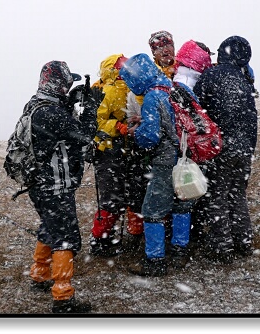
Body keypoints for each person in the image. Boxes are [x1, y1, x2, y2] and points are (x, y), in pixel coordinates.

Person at [24, 60, 97, 313]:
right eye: (67, 85)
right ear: (58, 84)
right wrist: (90, 109)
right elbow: (84, 134)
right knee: (65, 237)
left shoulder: (35, 105)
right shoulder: (51, 113)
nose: (69, 88)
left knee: (50, 225)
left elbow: (58, 129)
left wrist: (70, 100)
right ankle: (63, 297)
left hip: (38, 184)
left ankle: (39, 272)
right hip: (54, 184)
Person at [119, 53, 194, 276]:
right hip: (187, 157)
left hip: (164, 160)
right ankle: (180, 252)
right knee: (182, 203)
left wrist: (136, 132)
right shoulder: (177, 88)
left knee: (152, 210)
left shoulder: (153, 96)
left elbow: (150, 137)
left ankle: (155, 261)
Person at [192, 36, 258, 264]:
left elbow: (197, 108)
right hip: (244, 148)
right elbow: (252, 119)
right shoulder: (243, 80)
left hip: (221, 147)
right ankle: (244, 241)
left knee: (217, 195)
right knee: (238, 194)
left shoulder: (210, 76)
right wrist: (249, 147)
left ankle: (222, 248)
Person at [89, 53, 140, 256]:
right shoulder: (104, 92)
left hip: (124, 151)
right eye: (122, 67)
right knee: (112, 199)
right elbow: (96, 122)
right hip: (108, 152)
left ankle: (113, 237)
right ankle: (101, 240)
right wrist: (119, 126)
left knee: (128, 195)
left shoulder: (128, 89)